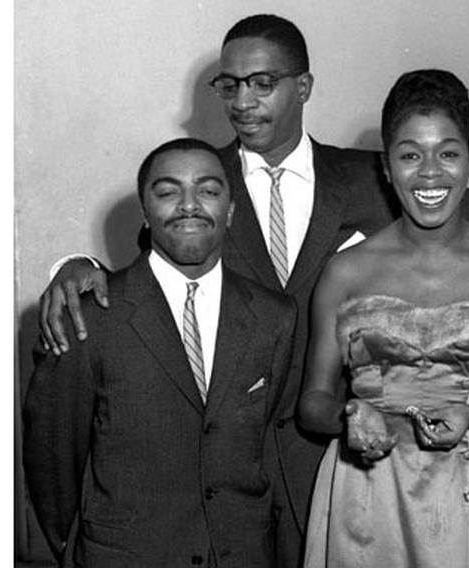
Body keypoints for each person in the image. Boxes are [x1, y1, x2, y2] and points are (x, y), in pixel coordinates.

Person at [34, 14, 469, 565]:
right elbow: (150, 266)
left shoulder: (368, 174)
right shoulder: (196, 181)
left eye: (263, 82)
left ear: (302, 86)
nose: (245, 100)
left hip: (368, 473)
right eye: (230, 84)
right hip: (238, 479)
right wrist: (73, 263)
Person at [298, 68, 469, 568]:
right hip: (367, 498)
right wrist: (350, 414)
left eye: (448, 153)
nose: (430, 172)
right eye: (410, 155)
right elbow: (312, 402)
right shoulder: (346, 270)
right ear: (387, 168)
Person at [23, 138, 298, 567]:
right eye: (168, 192)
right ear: (144, 212)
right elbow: (51, 460)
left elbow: (265, 444)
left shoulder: (273, 316)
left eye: (208, 191)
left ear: (230, 209)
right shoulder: (88, 317)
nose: (189, 205)